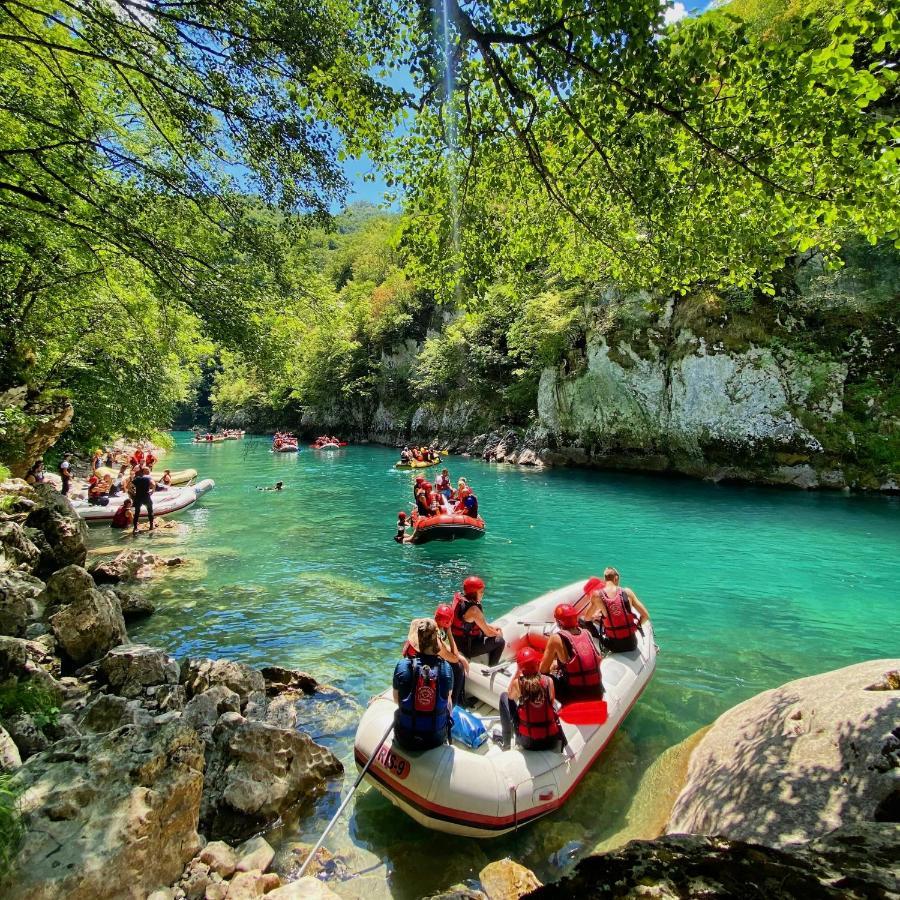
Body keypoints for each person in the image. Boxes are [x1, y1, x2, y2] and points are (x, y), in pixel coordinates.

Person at [393, 618, 453, 752]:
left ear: (417, 641)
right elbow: (448, 702)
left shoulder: (402, 666)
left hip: (406, 738)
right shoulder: (446, 668)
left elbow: (397, 699)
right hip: (436, 739)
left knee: (398, 712)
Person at [498, 647, 562, 752]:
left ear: (520, 667)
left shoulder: (517, 684)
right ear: (537, 664)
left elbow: (510, 695)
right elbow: (551, 702)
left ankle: (506, 744)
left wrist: (518, 672)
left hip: (529, 743)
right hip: (551, 740)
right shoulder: (549, 681)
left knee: (504, 697)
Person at [540, 603, 604, 703]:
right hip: (597, 691)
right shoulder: (587, 633)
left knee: (542, 677)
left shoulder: (555, 638)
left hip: (575, 696)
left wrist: (554, 665)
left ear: (558, 622)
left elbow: (543, 670)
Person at [585, 569, 650, 653]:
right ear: (616, 578)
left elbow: (587, 618)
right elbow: (645, 616)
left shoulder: (597, 595)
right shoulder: (628, 592)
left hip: (614, 646)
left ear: (605, 579)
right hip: (632, 644)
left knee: (584, 622)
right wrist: (636, 627)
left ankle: (598, 649)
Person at [450, 576, 505, 666]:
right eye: (481, 592)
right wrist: (498, 634)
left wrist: (493, 628)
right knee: (500, 641)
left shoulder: (462, 601)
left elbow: (478, 623)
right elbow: (488, 633)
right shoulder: (474, 610)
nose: (482, 594)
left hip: (460, 639)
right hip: (466, 647)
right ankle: (492, 668)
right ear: (473, 593)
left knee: (495, 630)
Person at [131, 466, 155, 534]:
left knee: (137, 512)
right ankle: (151, 526)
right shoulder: (148, 478)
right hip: (146, 496)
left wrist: (133, 492)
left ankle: (135, 527)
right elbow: (153, 484)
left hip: (138, 496)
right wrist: (152, 491)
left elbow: (129, 486)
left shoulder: (137, 479)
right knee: (150, 511)